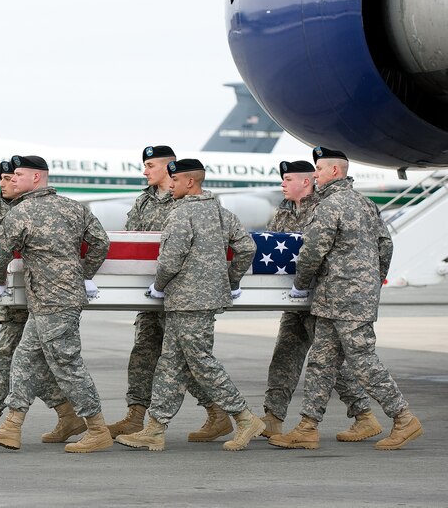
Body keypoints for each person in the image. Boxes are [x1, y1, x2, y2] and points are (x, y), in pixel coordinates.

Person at [270, 147, 423, 450]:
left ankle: (404, 418)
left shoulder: (329, 206)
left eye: (319, 169)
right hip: (341, 298)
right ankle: (307, 427)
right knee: (321, 362)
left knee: (362, 359)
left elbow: (312, 252)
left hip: (341, 297)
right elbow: (385, 245)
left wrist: (300, 284)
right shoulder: (365, 204)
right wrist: (373, 281)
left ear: (335, 171)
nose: (316, 175)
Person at [115, 159, 262, 452]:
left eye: (175, 181)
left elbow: (170, 260)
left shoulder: (182, 214)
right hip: (202, 300)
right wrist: (229, 281)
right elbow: (247, 247)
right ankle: (155, 429)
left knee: (202, 362)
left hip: (186, 300)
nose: (171, 186)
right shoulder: (222, 212)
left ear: (189, 182)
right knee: (170, 364)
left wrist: (158, 286)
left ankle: (244, 417)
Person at [0, 155, 112, 453]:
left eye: (18, 175)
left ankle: (97, 429)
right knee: (23, 359)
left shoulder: (22, 212)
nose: (12, 180)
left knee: (68, 365)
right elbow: (101, 242)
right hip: (58, 299)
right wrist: (84, 274)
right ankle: (11, 427)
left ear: (36, 178)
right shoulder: (74, 207)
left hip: (51, 301)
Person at [0, 160, 84, 445]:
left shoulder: (42, 208)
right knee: (25, 360)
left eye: (12, 177)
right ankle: (67, 415)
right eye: (3, 178)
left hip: (44, 298)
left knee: (15, 358)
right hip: (10, 300)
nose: (6, 183)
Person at [260, 160, 378, 441]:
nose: (282, 184)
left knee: (329, 364)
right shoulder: (283, 213)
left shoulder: (324, 207)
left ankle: (364, 416)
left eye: (288, 179)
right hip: (295, 300)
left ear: (306, 181)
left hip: (323, 299)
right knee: (284, 356)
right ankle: (273, 417)